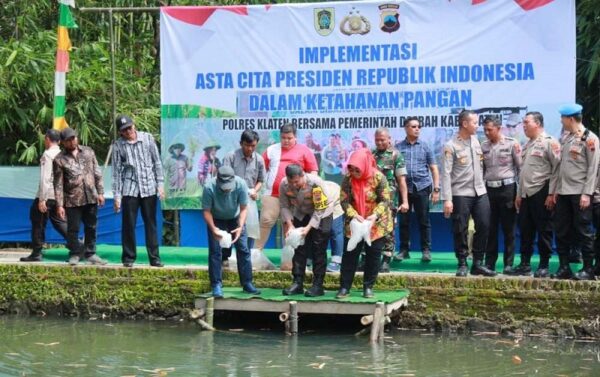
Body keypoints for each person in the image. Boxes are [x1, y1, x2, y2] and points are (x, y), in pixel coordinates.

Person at [441, 110, 495, 277]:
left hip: (480, 191)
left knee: (485, 225)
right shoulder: (450, 146)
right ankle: (462, 262)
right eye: (474, 123)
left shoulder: (476, 141)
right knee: (460, 229)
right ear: (465, 124)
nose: (477, 126)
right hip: (460, 193)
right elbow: (446, 173)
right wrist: (447, 199)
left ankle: (478, 262)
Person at [336, 148, 393, 299]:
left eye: (357, 169)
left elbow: (385, 200)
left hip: (376, 223)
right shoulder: (348, 179)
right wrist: (353, 215)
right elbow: (344, 200)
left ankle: (368, 287)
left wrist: (374, 215)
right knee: (350, 255)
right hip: (355, 223)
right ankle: (344, 287)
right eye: (351, 169)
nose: (354, 173)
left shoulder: (379, 177)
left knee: (373, 255)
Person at [510, 112, 560, 277]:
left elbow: (557, 169)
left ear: (537, 123)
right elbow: (523, 172)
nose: (523, 126)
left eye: (526, 122)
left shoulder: (549, 142)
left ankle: (544, 264)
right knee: (525, 230)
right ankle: (525, 264)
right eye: (523, 123)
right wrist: (519, 194)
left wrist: (552, 193)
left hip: (542, 191)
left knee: (544, 230)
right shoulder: (527, 144)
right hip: (525, 194)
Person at [553, 104, 599, 280]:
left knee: (584, 230)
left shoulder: (590, 139)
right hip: (564, 192)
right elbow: (561, 167)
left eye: (563, 118)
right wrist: (556, 190)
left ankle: (588, 268)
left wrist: (587, 194)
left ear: (570, 119)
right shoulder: (566, 138)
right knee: (562, 230)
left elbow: (593, 169)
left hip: (580, 193)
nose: (561, 121)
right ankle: (564, 267)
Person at [112, 114, 165, 268]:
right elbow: (116, 172)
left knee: (151, 223)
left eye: (129, 127)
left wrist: (160, 185)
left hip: (148, 187)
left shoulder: (147, 138)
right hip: (130, 189)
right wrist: (117, 196)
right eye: (124, 130)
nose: (128, 131)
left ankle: (154, 258)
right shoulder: (118, 146)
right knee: (128, 224)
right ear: (120, 132)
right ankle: (128, 258)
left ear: (134, 125)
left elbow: (157, 162)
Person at [256, 123, 318, 250]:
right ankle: (254, 255)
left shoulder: (305, 151)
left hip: (295, 198)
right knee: (266, 220)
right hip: (272, 194)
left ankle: (289, 262)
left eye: (289, 138)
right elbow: (260, 170)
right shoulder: (271, 150)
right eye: (283, 137)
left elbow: (313, 172)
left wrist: (306, 191)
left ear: (295, 137)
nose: (286, 141)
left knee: (289, 225)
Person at [21, 129, 79, 262]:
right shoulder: (64, 154)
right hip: (60, 195)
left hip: (47, 194)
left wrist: (42, 199)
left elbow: (45, 178)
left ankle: (37, 252)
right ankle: (77, 246)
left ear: (47, 139)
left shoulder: (47, 155)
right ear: (59, 141)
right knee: (60, 222)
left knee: (38, 222)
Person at [202, 166, 260, 297]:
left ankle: (247, 283)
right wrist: (213, 229)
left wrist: (240, 226)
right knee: (215, 251)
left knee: (243, 249)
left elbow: (244, 208)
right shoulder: (209, 187)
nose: (227, 189)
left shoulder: (241, 184)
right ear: (218, 181)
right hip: (216, 219)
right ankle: (216, 284)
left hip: (235, 218)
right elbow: (206, 211)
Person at [54, 127, 107, 266]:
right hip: (72, 199)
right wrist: (59, 205)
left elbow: (97, 173)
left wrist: (100, 192)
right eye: (68, 140)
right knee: (73, 229)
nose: (72, 142)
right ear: (63, 143)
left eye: (74, 138)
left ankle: (91, 253)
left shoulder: (88, 152)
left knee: (92, 226)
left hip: (90, 196)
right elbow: (58, 184)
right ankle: (74, 253)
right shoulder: (59, 159)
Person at [280, 164, 334, 297]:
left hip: (322, 214)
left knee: (318, 248)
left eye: (297, 181)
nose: (294, 185)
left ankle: (318, 285)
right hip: (300, 213)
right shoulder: (284, 184)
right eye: (291, 182)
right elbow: (284, 206)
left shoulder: (316, 183)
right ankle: (297, 282)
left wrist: (308, 228)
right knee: (299, 248)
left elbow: (320, 209)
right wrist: (290, 225)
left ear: (303, 175)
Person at [480, 116, 522, 274]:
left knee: (509, 229)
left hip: (507, 189)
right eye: (484, 130)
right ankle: (489, 264)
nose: (486, 132)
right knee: (490, 228)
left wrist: (520, 193)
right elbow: (481, 169)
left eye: (489, 129)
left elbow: (520, 168)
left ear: (499, 128)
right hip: (489, 190)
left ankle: (508, 264)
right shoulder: (483, 146)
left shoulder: (512, 143)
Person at [397, 117, 440, 263]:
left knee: (424, 220)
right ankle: (404, 250)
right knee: (404, 221)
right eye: (414, 126)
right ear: (406, 128)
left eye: (419, 127)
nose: (417, 129)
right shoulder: (398, 148)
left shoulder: (425, 146)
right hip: (404, 189)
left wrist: (436, 189)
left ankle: (426, 251)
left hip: (422, 187)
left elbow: (434, 168)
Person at [222, 129, 266, 254]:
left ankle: (246, 255)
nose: (250, 149)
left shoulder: (259, 160)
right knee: (230, 227)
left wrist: (255, 191)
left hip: (249, 199)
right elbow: (225, 178)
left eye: (253, 146)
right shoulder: (231, 157)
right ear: (241, 143)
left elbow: (260, 180)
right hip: (231, 198)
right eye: (247, 145)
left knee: (250, 227)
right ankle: (226, 256)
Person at [372, 127, 408, 272]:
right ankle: (367, 258)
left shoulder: (396, 155)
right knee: (369, 228)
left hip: (389, 200)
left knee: (388, 230)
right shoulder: (370, 154)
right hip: (371, 199)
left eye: (382, 140)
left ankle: (386, 259)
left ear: (389, 139)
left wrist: (404, 201)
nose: (380, 143)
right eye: (377, 140)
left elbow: (402, 180)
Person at [324, 180, 343, 272]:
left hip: (333, 203)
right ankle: (310, 259)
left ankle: (336, 261)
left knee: (335, 230)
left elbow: (328, 207)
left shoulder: (332, 190)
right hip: (316, 205)